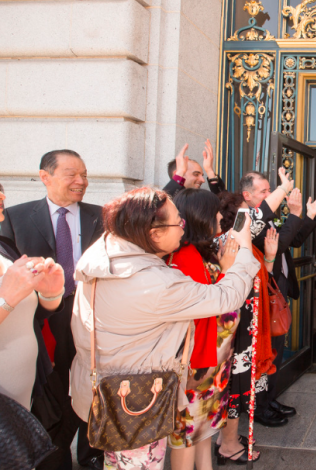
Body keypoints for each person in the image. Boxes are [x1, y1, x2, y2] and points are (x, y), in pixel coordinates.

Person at [69, 187, 260, 469]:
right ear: (154, 232)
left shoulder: (103, 259)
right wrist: (241, 255)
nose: (183, 227)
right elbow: (225, 298)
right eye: (177, 222)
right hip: (137, 399)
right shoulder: (153, 281)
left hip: (105, 388)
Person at [1, 149, 105, 470]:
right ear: (45, 177)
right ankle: (55, 455)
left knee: (93, 385)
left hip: (90, 317)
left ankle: (92, 454)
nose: (81, 181)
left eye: (85, 175)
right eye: (72, 174)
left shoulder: (100, 216)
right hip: (42, 322)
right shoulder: (16, 217)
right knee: (54, 392)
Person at [165, 189, 276, 468]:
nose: (219, 216)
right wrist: (228, 269)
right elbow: (212, 306)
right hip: (197, 364)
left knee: (203, 433)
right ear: (200, 216)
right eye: (214, 211)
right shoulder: (186, 257)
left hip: (213, 361)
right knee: (188, 436)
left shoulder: (204, 250)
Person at [240, 171, 316, 425]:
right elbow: (284, 240)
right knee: (264, 355)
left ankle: (269, 398)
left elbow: (292, 240)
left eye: (270, 190)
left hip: (278, 294)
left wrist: (308, 215)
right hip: (261, 298)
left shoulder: (268, 218)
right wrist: (297, 213)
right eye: (264, 192)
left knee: (275, 355)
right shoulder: (245, 222)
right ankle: (258, 407)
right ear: (247, 195)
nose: (269, 196)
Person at [216, 191, 277, 461]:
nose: (252, 214)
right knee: (235, 387)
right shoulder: (230, 241)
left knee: (238, 384)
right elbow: (263, 214)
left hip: (244, 322)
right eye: (246, 212)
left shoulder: (239, 242)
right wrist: (284, 188)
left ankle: (225, 437)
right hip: (236, 326)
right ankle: (228, 444)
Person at [0, 184, 66, 410]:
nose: (2, 195)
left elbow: (29, 315)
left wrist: (51, 293)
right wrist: (6, 299)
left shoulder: (4, 246)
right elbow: (9, 302)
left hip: (24, 394)